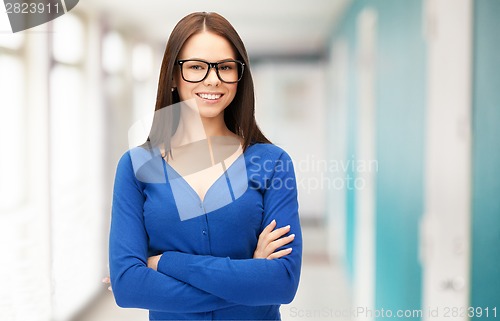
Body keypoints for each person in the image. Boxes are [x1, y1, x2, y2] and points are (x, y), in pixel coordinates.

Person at [108, 11, 302, 320]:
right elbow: (129, 287)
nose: (213, 79)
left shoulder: (274, 164)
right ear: (173, 75)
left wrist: (165, 263)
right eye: (196, 67)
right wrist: (249, 279)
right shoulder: (135, 168)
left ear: (240, 76)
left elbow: (281, 284)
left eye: (225, 67)